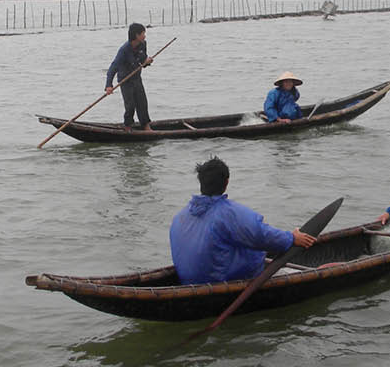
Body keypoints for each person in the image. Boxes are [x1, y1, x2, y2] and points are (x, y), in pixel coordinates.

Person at [170, 156, 316, 285]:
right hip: (219, 280)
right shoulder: (228, 213)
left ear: (201, 183)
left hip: (189, 280)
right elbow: (262, 235)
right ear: (227, 182)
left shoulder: (179, 217)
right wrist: (291, 238)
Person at [105, 22, 154, 131]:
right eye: (143, 33)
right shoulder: (124, 50)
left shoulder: (143, 44)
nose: (144, 36)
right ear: (136, 35)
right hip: (125, 81)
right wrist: (109, 85)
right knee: (130, 105)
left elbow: (142, 62)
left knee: (142, 103)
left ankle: (146, 125)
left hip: (137, 78)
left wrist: (147, 62)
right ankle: (127, 126)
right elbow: (113, 68)